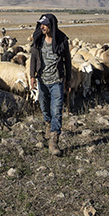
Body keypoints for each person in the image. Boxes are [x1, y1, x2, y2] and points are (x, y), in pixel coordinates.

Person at [29, 13, 72, 156]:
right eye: (41, 24)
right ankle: (48, 124)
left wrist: (69, 79)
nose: (42, 27)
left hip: (57, 81)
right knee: (44, 106)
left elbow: (67, 61)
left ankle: (54, 140)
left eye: (45, 24)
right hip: (42, 80)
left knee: (57, 110)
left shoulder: (61, 40)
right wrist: (31, 76)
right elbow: (33, 58)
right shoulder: (38, 39)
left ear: (51, 25)